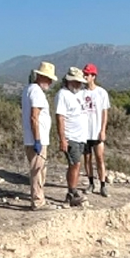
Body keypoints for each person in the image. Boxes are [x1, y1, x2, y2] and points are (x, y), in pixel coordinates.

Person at [21, 62, 56, 210]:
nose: (50, 82)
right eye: (48, 79)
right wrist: (37, 139)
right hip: (37, 138)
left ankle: (40, 198)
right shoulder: (36, 92)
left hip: (33, 137)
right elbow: (34, 117)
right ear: (41, 77)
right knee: (37, 169)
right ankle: (37, 201)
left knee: (40, 169)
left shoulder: (28, 89)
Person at [55, 67, 90, 207]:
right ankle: (71, 193)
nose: (78, 85)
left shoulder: (78, 94)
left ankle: (73, 191)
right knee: (74, 164)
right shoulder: (62, 95)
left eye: (79, 82)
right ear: (69, 81)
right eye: (75, 82)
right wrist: (63, 138)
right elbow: (60, 117)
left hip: (80, 136)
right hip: (71, 136)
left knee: (77, 164)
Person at [81, 63, 111, 197]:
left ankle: (103, 184)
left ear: (93, 76)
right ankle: (91, 183)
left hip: (97, 131)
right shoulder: (81, 93)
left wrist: (103, 129)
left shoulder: (101, 92)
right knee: (87, 159)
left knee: (99, 158)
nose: (85, 76)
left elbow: (105, 113)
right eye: (84, 74)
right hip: (84, 132)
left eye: (88, 74)